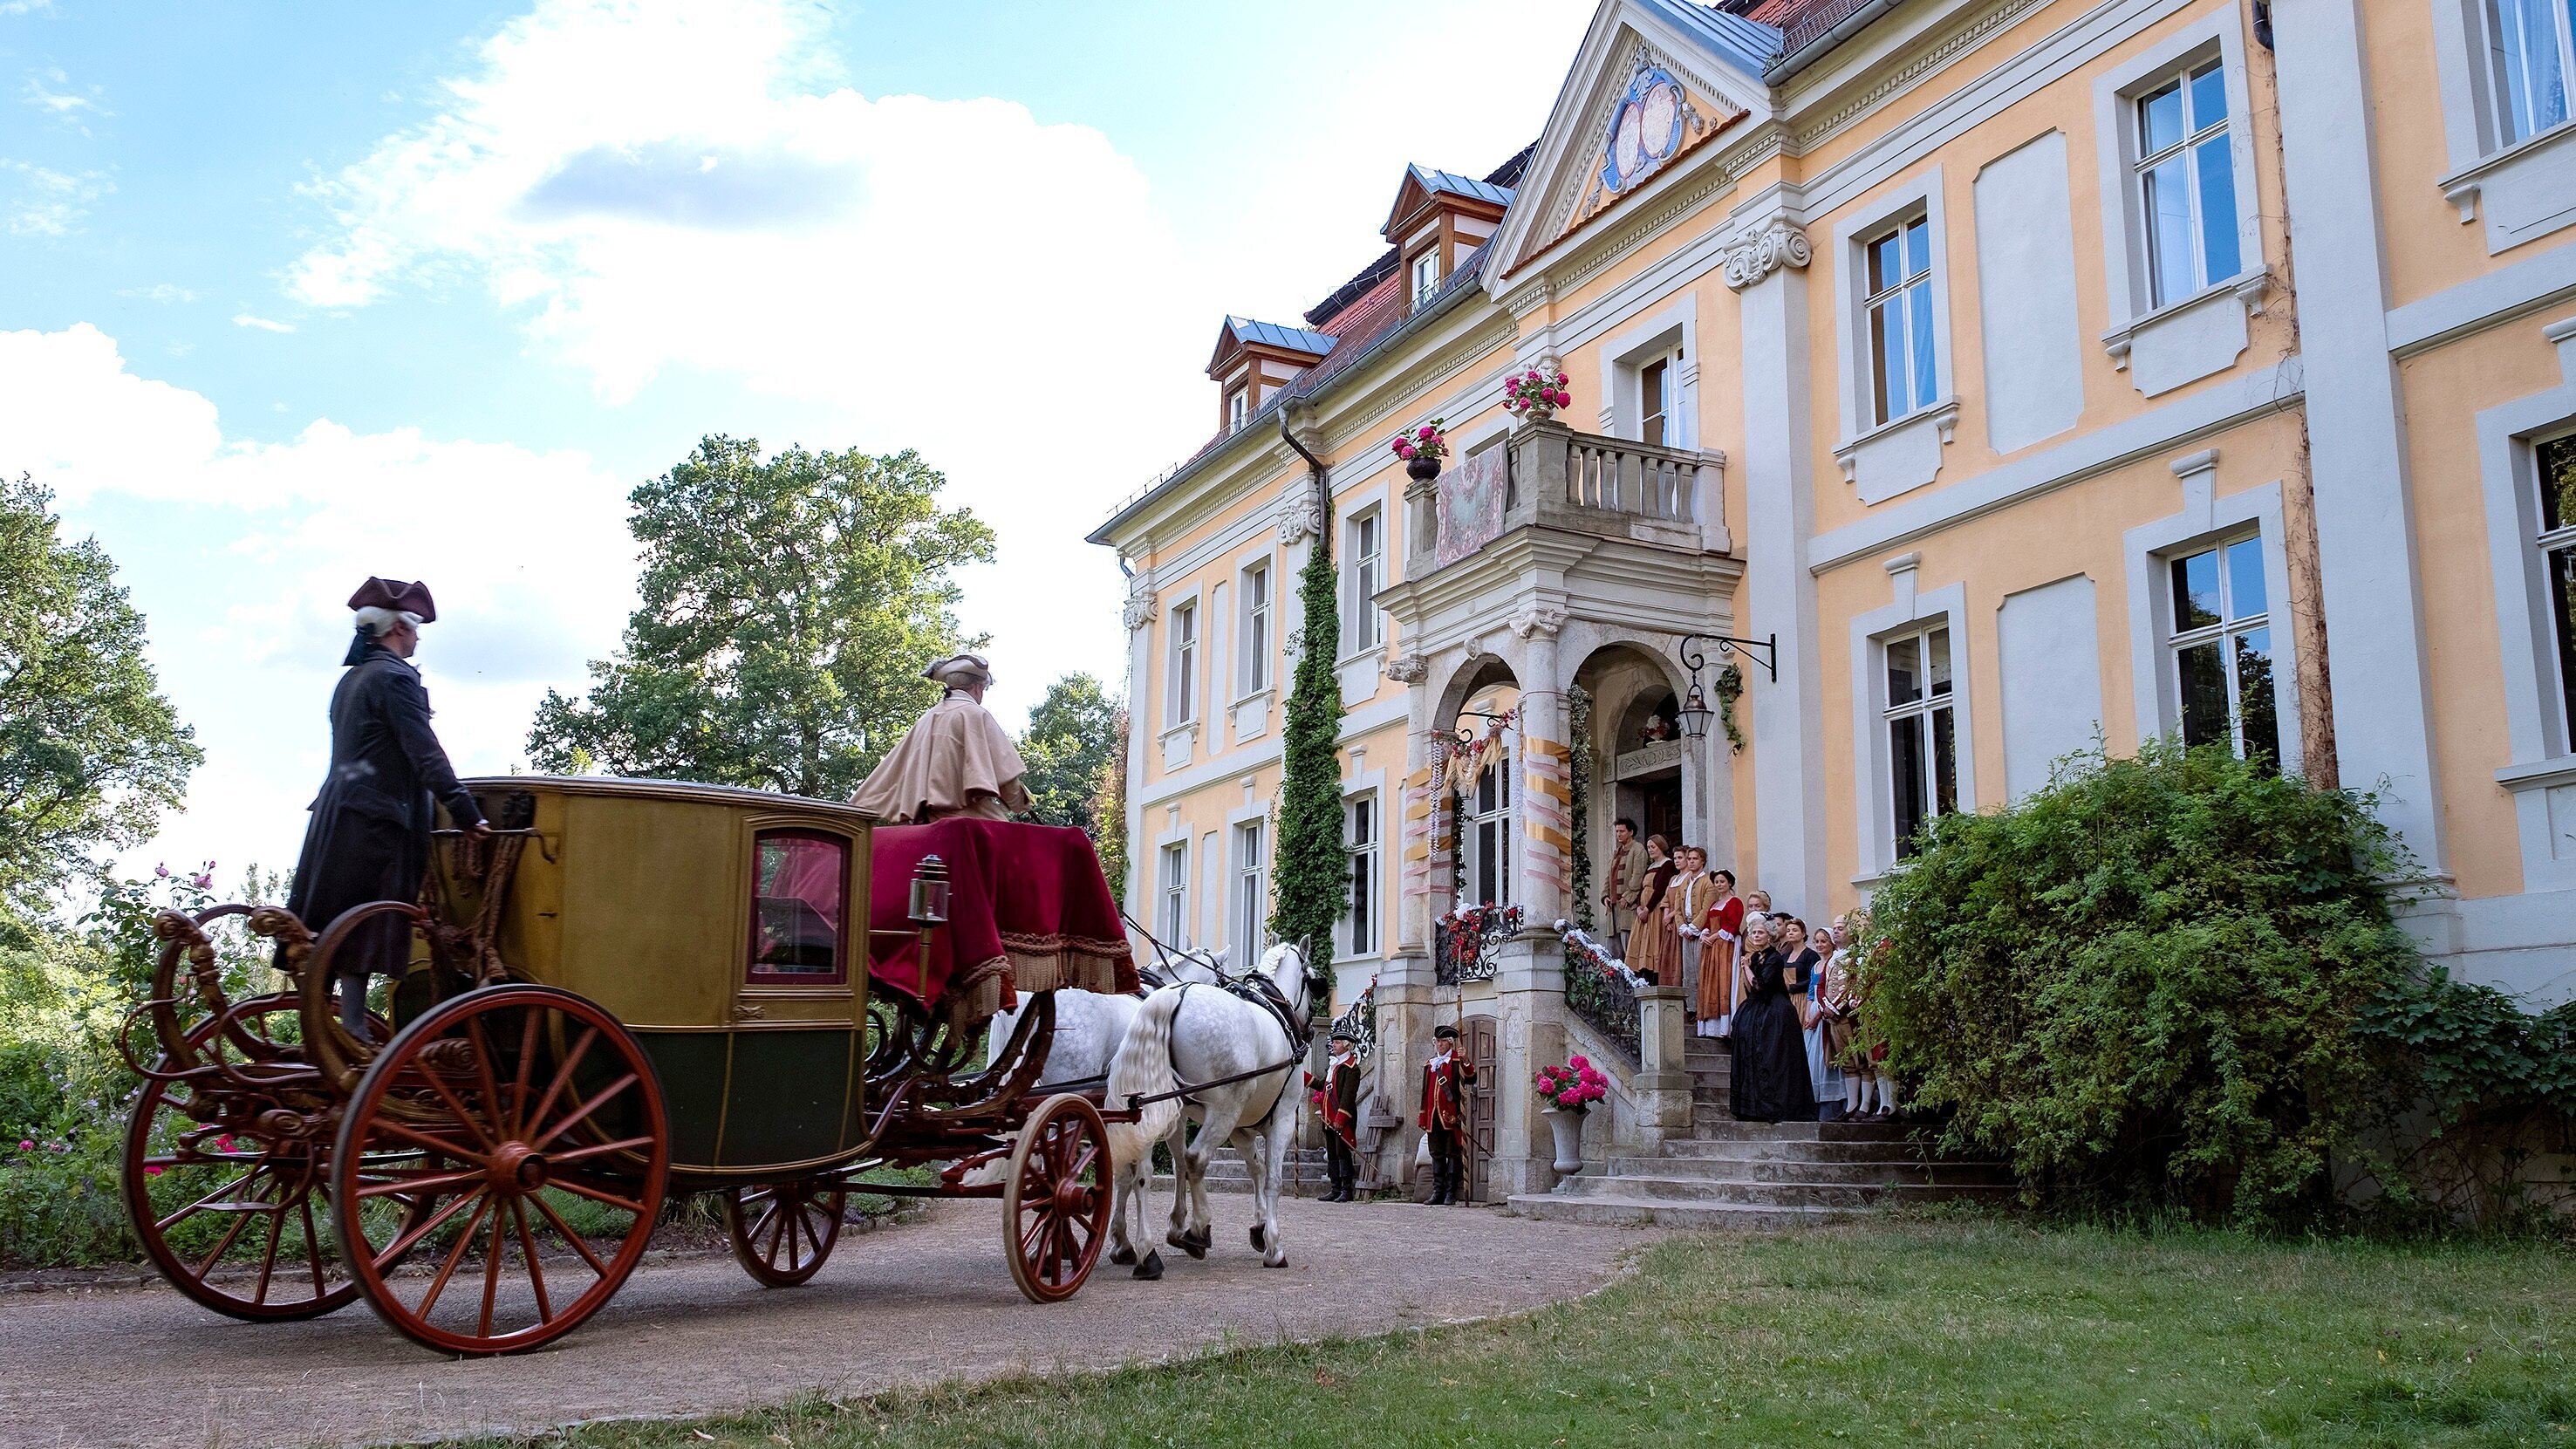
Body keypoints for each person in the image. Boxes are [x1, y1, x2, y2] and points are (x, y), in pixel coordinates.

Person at [285, 578, 491, 1036]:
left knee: (335, 924)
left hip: (338, 812)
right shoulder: (396, 678)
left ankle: (323, 1034)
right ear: (399, 627)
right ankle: (353, 1033)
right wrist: (467, 814)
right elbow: (425, 753)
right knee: (365, 923)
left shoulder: (352, 679)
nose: (419, 639)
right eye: (416, 629)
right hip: (374, 819)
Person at [849, 653, 1031, 824]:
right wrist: (1022, 804)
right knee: (1021, 850)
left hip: (925, 821)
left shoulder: (926, 719)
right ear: (977, 687)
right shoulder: (975, 714)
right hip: (971, 821)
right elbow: (1006, 780)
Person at [1728, 918, 1817, 1123]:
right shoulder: (1757, 957)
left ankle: (1773, 1105)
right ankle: (1753, 1106)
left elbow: (1762, 986)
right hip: (1757, 1007)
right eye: (1753, 933)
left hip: (1775, 1011)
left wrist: (1747, 969)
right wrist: (1748, 967)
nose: (1756, 936)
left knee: (1771, 1056)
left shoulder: (1775, 958)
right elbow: (1751, 990)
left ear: (1769, 936)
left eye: (1760, 932)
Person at [1418, 1023, 1477, 1206]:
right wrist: (1423, 1115)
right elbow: (1424, 1092)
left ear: (1450, 1043)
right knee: (1436, 1154)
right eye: (1437, 1041)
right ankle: (1437, 1192)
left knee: (1452, 1154)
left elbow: (1471, 1078)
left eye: (1444, 1041)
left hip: (1451, 1116)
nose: (1440, 1044)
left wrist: (1466, 1060)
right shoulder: (1430, 1064)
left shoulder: (1457, 1062)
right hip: (1433, 1116)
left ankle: (1450, 1193)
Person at [1625, 834, 1680, 986]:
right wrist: (1638, 907)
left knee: (1653, 941)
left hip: (1654, 910)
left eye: (1653, 847)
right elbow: (1642, 888)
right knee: (1639, 942)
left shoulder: (1667, 864)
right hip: (1644, 911)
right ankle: (1640, 974)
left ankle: (1653, 974)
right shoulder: (1650, 866)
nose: (1650, 850)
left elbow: (1661, 889)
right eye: (1648, 847)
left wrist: (1648, 909)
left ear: (1661, 847)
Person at [1315, 1029, 1363, 1202]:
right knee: (1333, 1153)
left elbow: (1348, 1097)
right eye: (1333, 1043)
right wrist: (1304, 1077)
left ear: (1345, 1045)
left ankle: (1346, 1190)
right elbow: (1323, 1085)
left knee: (1343, 1152)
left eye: (1336, 1043)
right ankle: (1335, 1188)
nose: (1333, 1046)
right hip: (1329, 1117)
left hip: (1342, 1117)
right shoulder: (1334, 1065)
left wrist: (1340, 1119)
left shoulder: (1351, 1068)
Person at [1670, 847, 1718, 1015]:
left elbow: (1707, 908)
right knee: (1688, 971)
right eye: (1689, 858)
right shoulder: (1684, 882)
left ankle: (1702, 1009)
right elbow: (1677, 908)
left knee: (1699, 970)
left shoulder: (1708, 882)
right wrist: (1682, 926)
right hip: (1686, 929)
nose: (1691, 861)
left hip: (1700, 930)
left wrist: (1693, 928)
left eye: (1694, 859)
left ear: (1702, 861)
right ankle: (1691, 1008)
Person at [1695, 867, 1742, 1038]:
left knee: (1723, 981)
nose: (1719, 884)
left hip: (1726, 946)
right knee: (1710, 982)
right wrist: (1705, 934)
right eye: (1716, 882)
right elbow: (1708, 923)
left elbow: (1733, 924)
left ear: (1729, 883)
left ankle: (1725, 1027)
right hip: (1712, 946)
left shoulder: (1735, 902)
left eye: (1722, 881)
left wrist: (1714, 936)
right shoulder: (1715, 904)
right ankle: (1710, 1027)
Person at [1601, 818, 1647, 959]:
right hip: (1613, 906)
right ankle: (1616, 979)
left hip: (1627, 906)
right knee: (1613, 948)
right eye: (1617, 832)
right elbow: (1609, 876)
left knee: (1629, 946)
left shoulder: (1638, 849)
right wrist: (1605, 896)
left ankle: (1633, 979)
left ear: (1631, 832)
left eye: (1622, 831)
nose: (1618, 834)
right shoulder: (1617, 852)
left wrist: (1628, 896)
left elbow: (1638, 875)